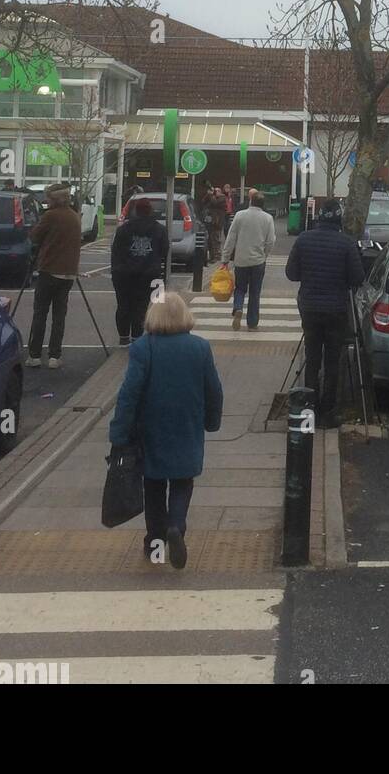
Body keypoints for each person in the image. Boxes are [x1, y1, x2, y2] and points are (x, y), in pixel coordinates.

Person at [108, 291, 224, 570]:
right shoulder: (200, 347)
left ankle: (155, 541)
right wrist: (211, 421)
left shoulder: (142, 348)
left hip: (151, 427)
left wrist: (119, 432)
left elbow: (129, 394)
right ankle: (177, 525)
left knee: (154, 485)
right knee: (183, 481)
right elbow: (214, 390)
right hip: (187, 424)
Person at [285, 201, 365, 425]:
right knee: (332, 361)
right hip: (335, 309)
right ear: (339, 220)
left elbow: (291, 273)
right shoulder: (346, 243)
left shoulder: (303, 239)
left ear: (318, 218)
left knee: (312, 358)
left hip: (309, 307)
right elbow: (357, 278)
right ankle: (328, 412)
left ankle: (309, 407)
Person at [27, 183, 82, 369]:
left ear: (54, 200)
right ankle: (54, 355)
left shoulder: (50, 216)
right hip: (68, 273)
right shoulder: (75, 217)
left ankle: (34, 355)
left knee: (40, 313)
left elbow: (34, 236)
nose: (46, 201)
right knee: (59, 315)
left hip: (49, 270)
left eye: (48, 198)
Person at [110, 197, 170, 345]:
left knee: (123, 305)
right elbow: (164, 251)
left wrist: (117, 269)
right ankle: (137, 336)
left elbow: (116, 251)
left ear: (136, 211)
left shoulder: (124, 229)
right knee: (141, 306)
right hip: (148, 273)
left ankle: (123, 337)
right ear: (150, 211)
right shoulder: (159, 229)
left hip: (124, 274)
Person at [222, 188, 277, 331]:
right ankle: (252, 323)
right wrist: (265, 254)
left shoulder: (240, 216)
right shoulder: (267, 218)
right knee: (255, 292)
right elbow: (271, 241)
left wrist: (225, 259)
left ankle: (238, 307)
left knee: (239, 288)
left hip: (241, 260)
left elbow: (231, 238)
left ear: (250, 201)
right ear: (263, 204)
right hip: (258, 261)